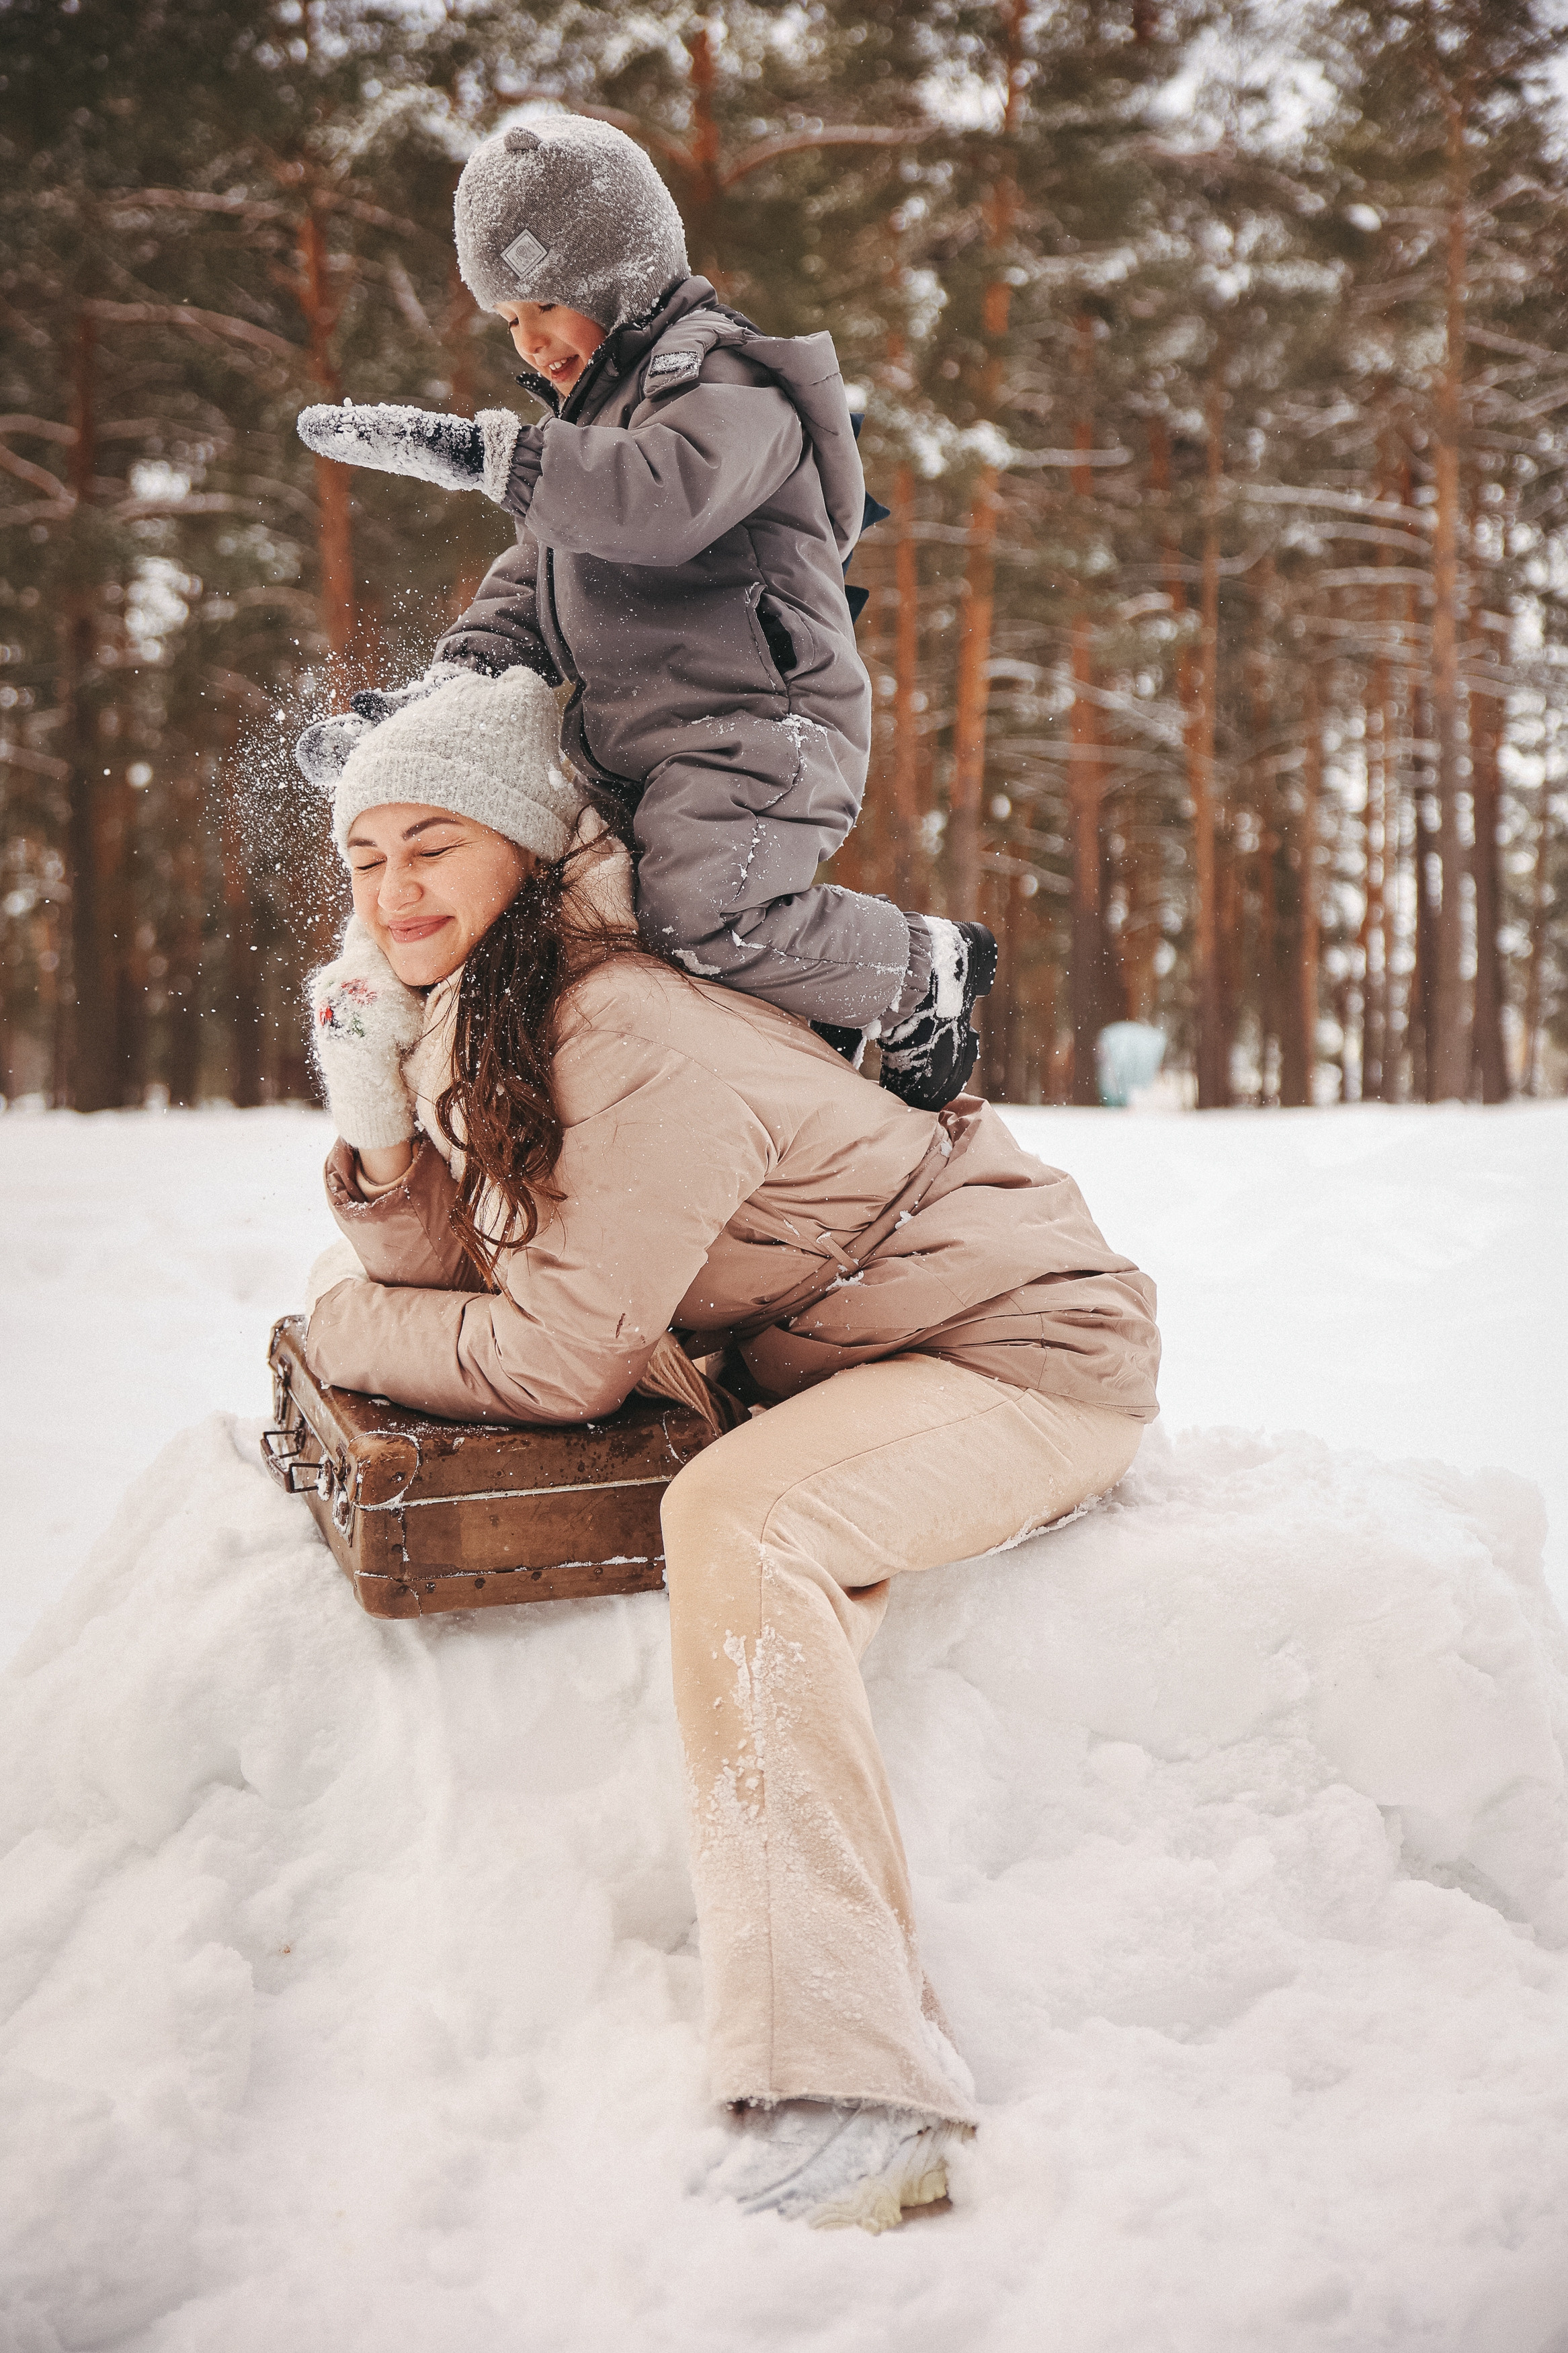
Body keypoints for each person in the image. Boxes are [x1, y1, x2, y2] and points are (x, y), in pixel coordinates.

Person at [300, 666, 1161, 2232]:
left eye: (435, 843)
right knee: (727, 1489)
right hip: (857, 1355)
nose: (395, 886)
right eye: (367, 857)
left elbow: (556, 1355)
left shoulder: (620, 1027)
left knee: (743, 1523)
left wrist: (334, 1336)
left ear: (525, 845)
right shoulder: (484, 1014)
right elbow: (465, 1273)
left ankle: (860, 2087)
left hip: (1019, 1351)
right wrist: (373, 1124)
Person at [294, 113, 995, 1111]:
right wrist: (424, 711)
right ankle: (789, 1026)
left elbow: (659, 501)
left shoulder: (730, 384)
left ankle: (921, 972)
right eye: (506, 321)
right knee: (588, 917)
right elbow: (523, 593)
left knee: (698, 914)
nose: (530, 340)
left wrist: (482, 455)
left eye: (545, 303)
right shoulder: (581, 449)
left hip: (761, 726)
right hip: (645, 745)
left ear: (621, 279)